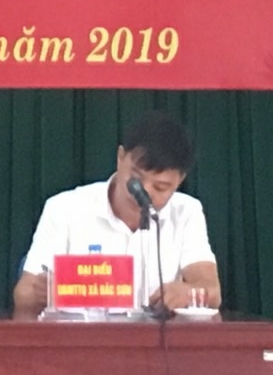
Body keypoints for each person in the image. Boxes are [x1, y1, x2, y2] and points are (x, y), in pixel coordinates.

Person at [13, 110, 219, 319]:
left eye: (160, 187)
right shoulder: (64, 208)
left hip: (155, 339)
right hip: (78, 336)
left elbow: (212, 291)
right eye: (136, 179)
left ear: (179, 181)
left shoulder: (186, 212)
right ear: (120, 157)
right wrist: (42, 292)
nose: (143, 192)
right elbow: (23, 295)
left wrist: (188, 292)